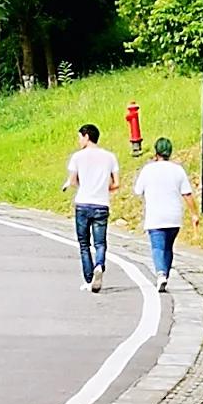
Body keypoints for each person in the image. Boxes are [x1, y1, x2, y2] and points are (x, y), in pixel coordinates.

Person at [63, 119, 119, 289]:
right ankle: (99, 265)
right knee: (100, 242)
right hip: (102, 204)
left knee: (84, 243)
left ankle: (89, 280)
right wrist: (103, 187)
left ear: (87, 137)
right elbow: (116, 183)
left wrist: (77, 184)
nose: (79, 141)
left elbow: (73, 181)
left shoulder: (77, 157)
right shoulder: (110, 157)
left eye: (80, 137)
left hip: (83, 204)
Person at [133, 134, 192, 290]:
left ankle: (160, 274)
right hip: (174, 216)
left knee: (158, 247)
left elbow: (138, 190)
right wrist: (194, 214)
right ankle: (165, 273)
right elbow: (187, 193)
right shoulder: (178, 170)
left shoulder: (148, 170)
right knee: (168, 247)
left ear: (156, 152)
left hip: (155, 215)